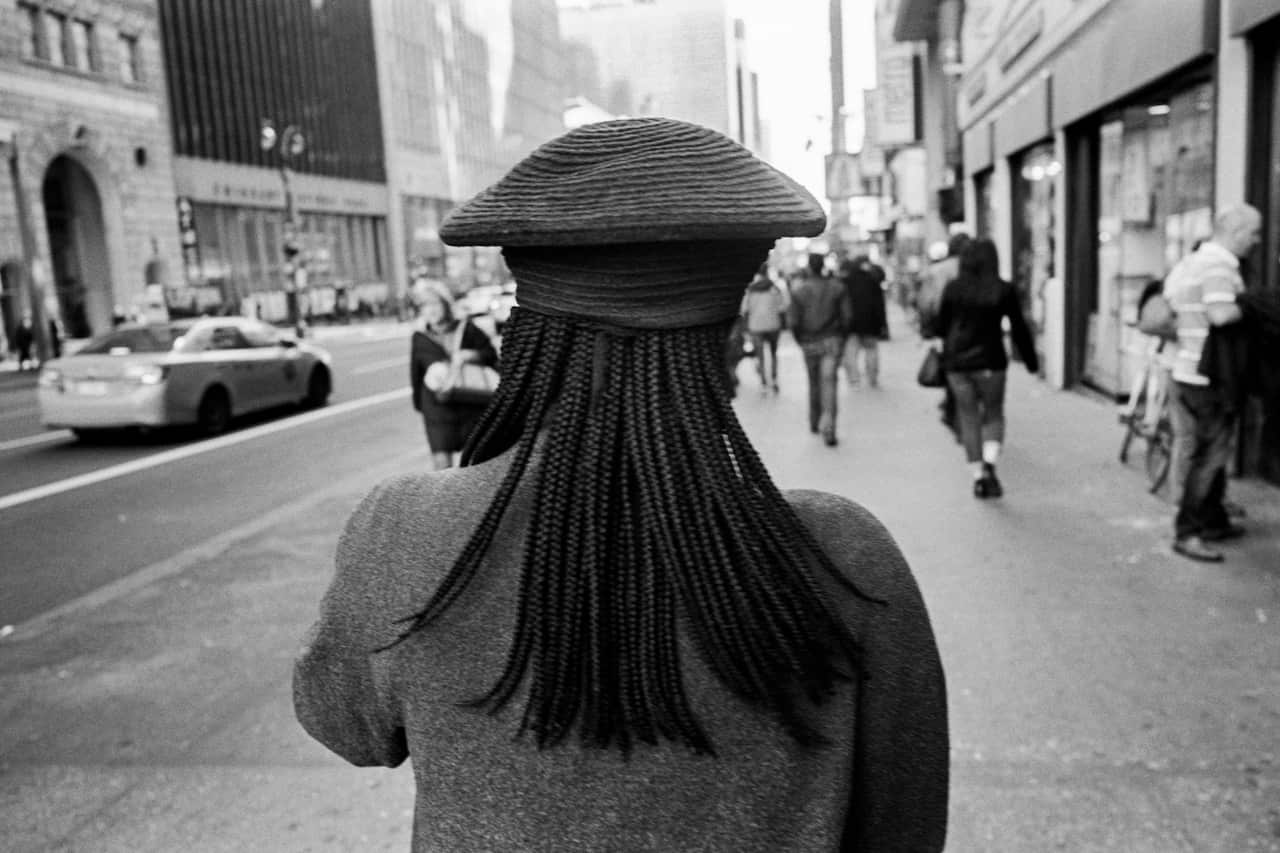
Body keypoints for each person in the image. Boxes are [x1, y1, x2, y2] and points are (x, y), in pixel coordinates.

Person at [294, 117, 949, 853]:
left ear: (522, 341)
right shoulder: (844, 560)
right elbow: (904, 829)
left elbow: (342, 721)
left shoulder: (406, 531)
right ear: (732, 343)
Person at [1163, 204, 1262, 562]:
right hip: (1209, 377)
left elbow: (1171, 300)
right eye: (1253, 233)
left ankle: (1213, 520)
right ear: (1236, 231)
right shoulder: (1219, 267)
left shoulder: (1191, 262)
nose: (1257, 240)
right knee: (1209, 457)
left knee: (1205, 451)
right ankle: (1188, 532)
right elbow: (1220, 314)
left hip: (1184, 369)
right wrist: (1256, 304)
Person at [934, 237, 1039, 498]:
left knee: (968, 417)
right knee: (993, 414)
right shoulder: (1003, 289)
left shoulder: (954, 288)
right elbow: (1019, 328)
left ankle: (978, 476)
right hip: (991, 362)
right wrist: (1031, 362)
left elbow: (940, 327)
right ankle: (990, 463)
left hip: (957, 364)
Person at [408, 283, 498, 471]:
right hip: (437, 405)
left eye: (435, 304)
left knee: (475, 462)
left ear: (445, 305)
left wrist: (469, 355)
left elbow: (490, 355)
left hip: (469, 400)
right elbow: (416, 374)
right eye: (425, 305)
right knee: (442, 465)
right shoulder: (420, 337)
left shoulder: (466, 329)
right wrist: (419, 405)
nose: (431, 310)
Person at [788, 252, 851, 446]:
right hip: (831, 340)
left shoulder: (799, 291)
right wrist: (842, 338)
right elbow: (847, 317)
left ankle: (815, 421)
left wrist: (800, 340)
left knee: (814, 381)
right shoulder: (837, 288)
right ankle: (829, 427)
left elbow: (793, 322)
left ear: (808, 267)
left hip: (809, 341)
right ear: (823, 266)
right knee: (829, 382)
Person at [920, 233, 970, 437]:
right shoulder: (975, 267)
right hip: (974, 324)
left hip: (947, 326)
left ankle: (953, 408)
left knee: (952, 367)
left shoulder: (937, 270)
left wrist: (927, 329)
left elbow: (927, 302)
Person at [839, 254, 888, 388]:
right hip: (870, 324)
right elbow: (880, 305)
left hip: (851, 325)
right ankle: (872, 378)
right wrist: (883, 323)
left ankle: (854, 380)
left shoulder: (846, 282)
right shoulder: (873, 281)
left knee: (851, 352)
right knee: (871, 350)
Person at [739, 261, 788, 393]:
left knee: (760, 356)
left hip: (756, 326)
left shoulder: (750, 289)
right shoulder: (774, 288)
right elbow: (783, 306)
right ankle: (774, 379)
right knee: (773, 353)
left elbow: (744, 309)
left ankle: (763, 383)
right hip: (773, 325)